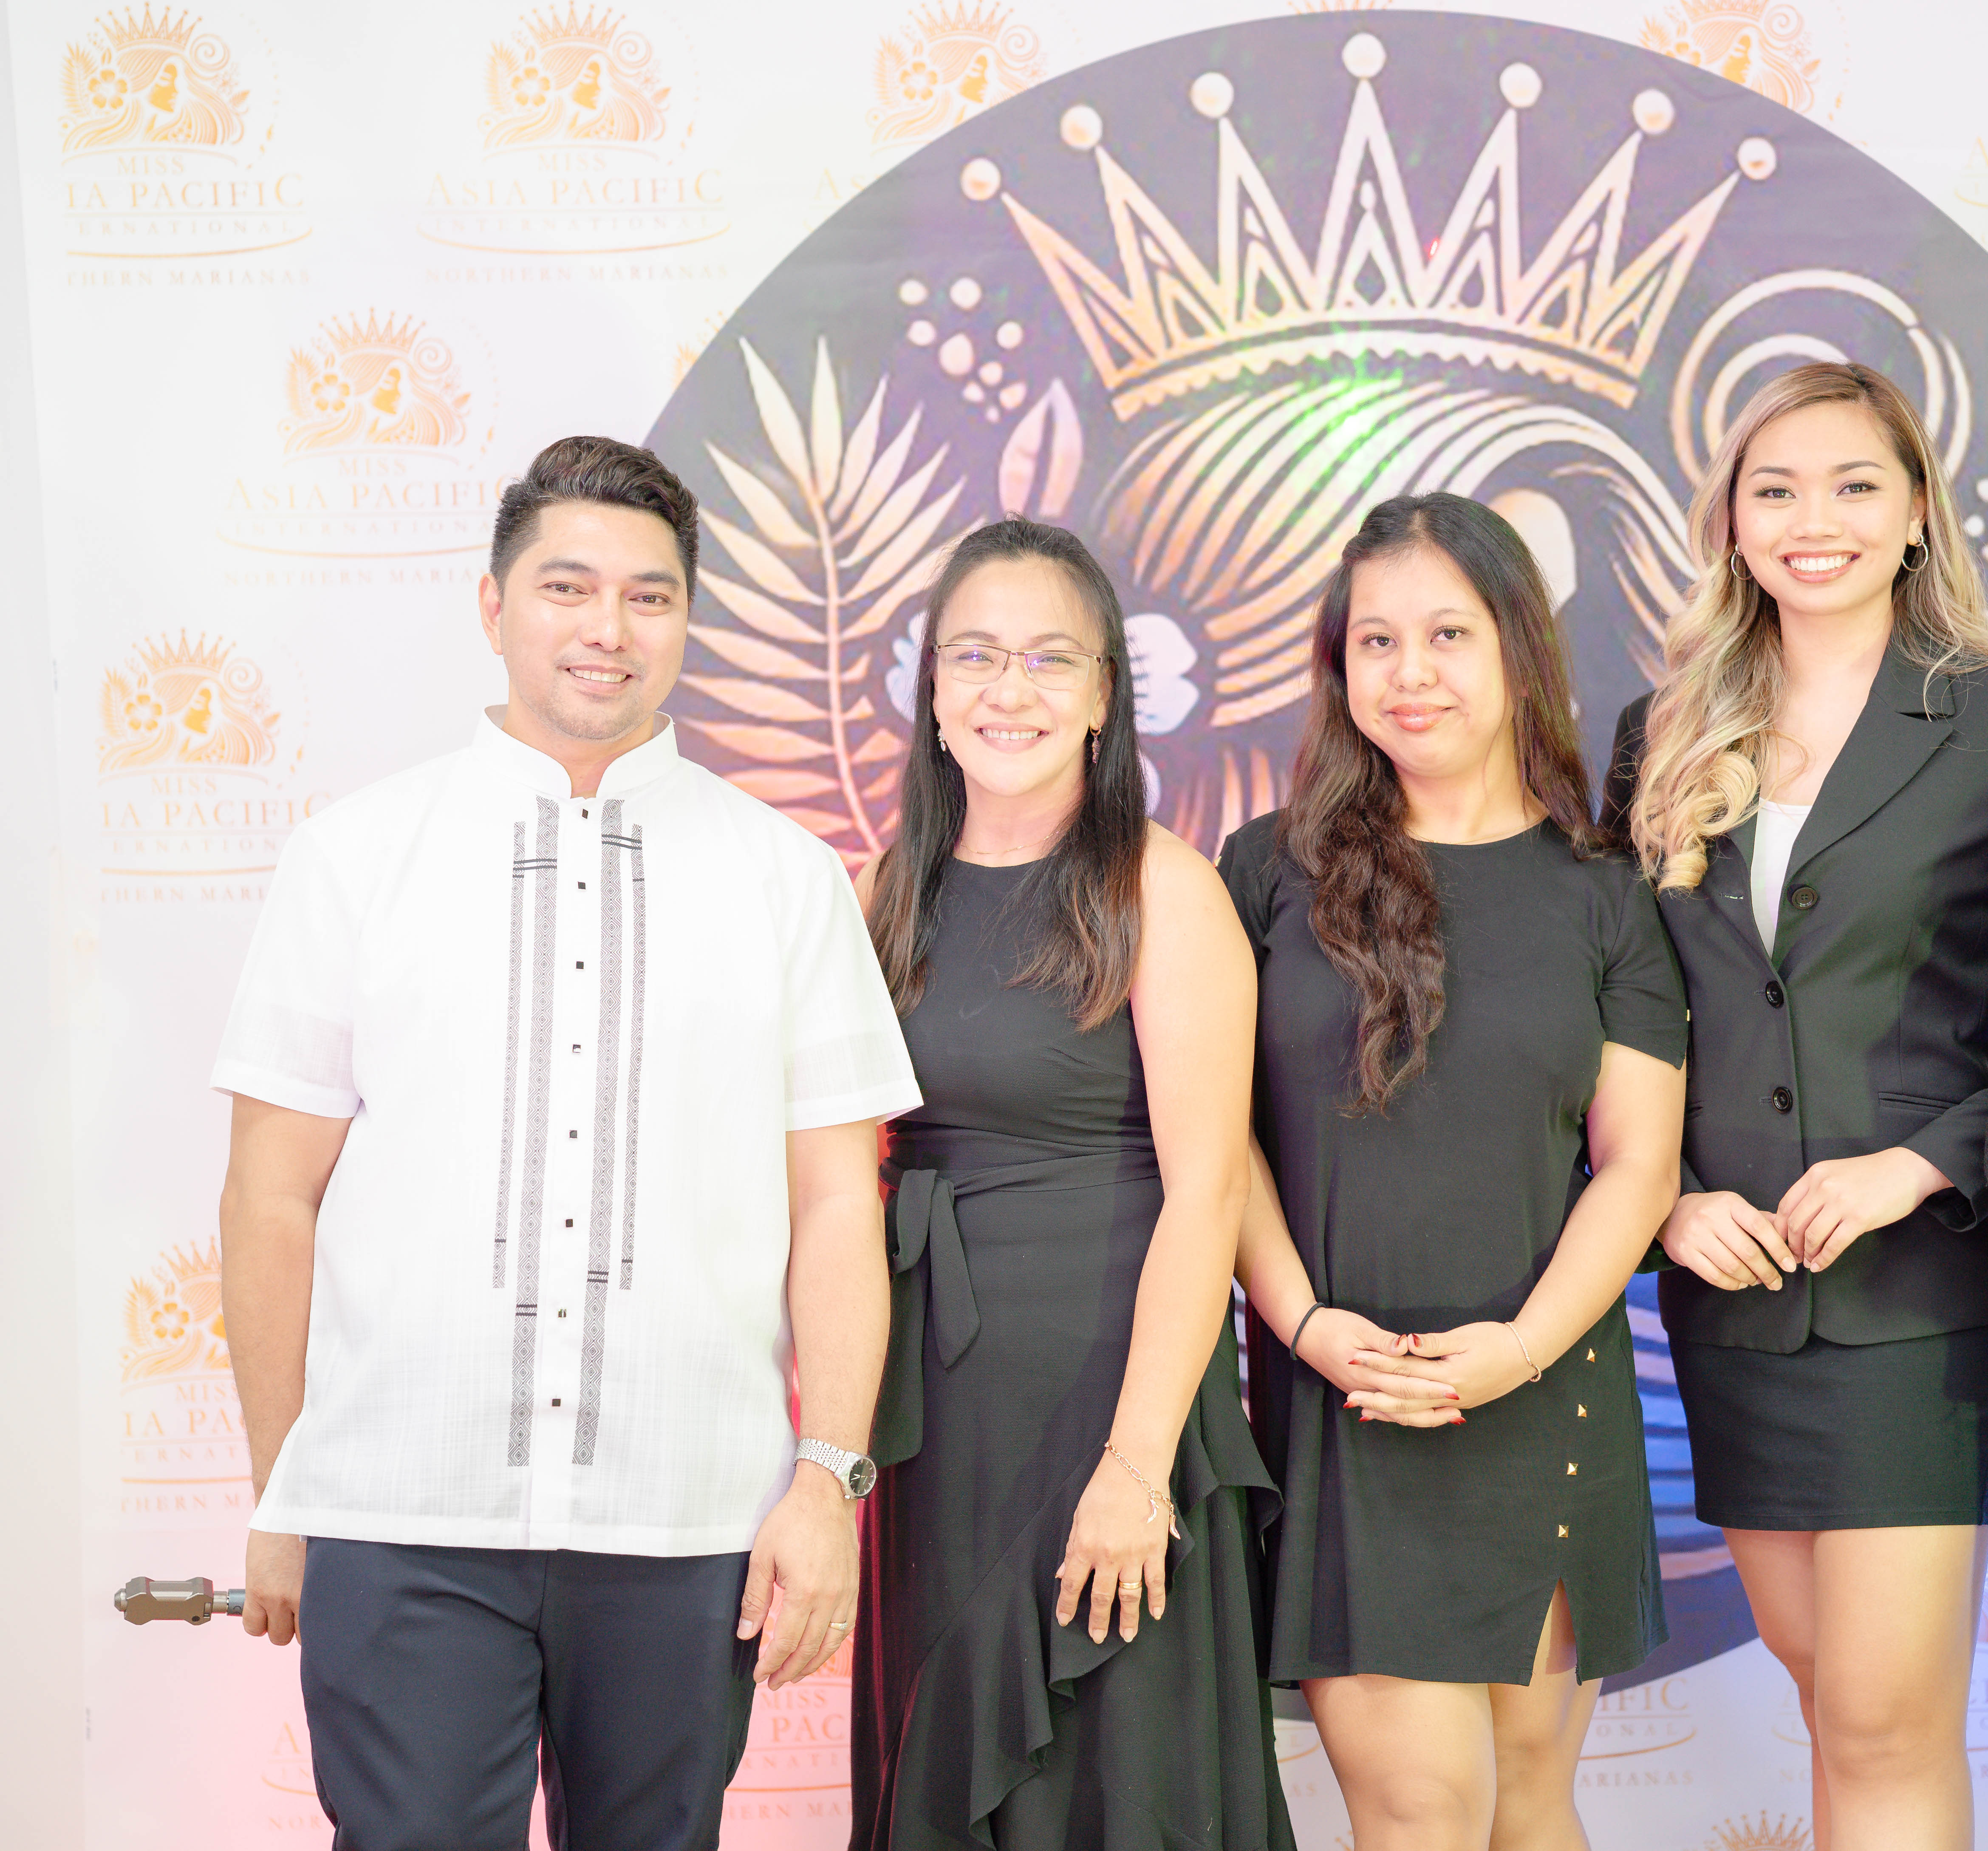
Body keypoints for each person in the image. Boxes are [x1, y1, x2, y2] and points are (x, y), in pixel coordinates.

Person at [215, 436, 919, 1848]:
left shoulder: (783, 877)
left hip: (686, 1525)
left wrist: (826, 1480)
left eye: (650, 596)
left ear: (687, 621)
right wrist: (286, 1487)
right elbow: (269, 1199)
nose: (608, 629)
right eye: (568, 586)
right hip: (402, 1513)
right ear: (494, 607)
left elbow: (840, 1206)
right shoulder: (357, 856)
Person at [1602, 361, 1988, 1851]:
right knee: (1830, 1697)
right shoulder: (1664, 730)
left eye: (1851, 485)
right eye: (1775, 489)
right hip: (1734, 1296)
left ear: (1911, 515)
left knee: (1886, 1719)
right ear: (1731, 523)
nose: (1811, 519)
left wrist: (1916, 1165)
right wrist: (1668, 1199)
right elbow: (1620, 1011)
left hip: (1921, 1290)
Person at [1224, 492, 1687, 1851]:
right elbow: (1216, 1145)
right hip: (1346, 1398)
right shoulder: (1266, 872)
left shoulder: (1605, 891)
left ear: (1519, 651)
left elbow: (1636, 1163)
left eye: (1447, 633)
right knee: (1422, 1810)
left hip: (1545, 1395)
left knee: (1530, 1807)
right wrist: (1303, 1324)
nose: (1409, 672)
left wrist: (1520, 1350)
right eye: (1376, 640)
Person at [846, 519, 1290, 1851]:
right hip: (931, 1412)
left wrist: (1136, 1466)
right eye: (975, 655)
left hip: (1112, 1400)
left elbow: (1207, 1193)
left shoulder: (1163, 887)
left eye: (1050, 658)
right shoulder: (884, 892)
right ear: (931, 690)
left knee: (1113, 1771)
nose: (1009, 688)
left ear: (1105, 693)